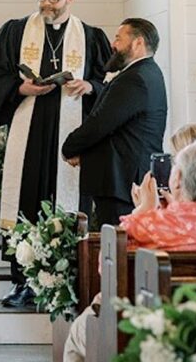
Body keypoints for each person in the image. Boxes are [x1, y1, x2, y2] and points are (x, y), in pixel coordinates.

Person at [58, 136, 196, 362]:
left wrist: (143, 209)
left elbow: (106, 269)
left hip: (148, 333)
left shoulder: (150, 224)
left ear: (178, 179)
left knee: (78, 335)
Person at [0, 0, 111, 307]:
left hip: (70, 136)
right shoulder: (15, 31)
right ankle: (23, 282)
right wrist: (19, 88)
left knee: (66, 204)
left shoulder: (92, 37)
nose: (47, 5)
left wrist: (90, 87)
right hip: (30, 135)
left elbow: (110, 81)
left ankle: (66, 277)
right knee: (27, 200)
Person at [61, 17, 167, 230]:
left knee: (116, 250)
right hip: (125, 178)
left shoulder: (135, 78)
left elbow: (101, 123)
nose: (113, 44)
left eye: (119, 38)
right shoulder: (147, 72)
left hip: (122, 181)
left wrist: (69, 147)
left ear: (138, 42)